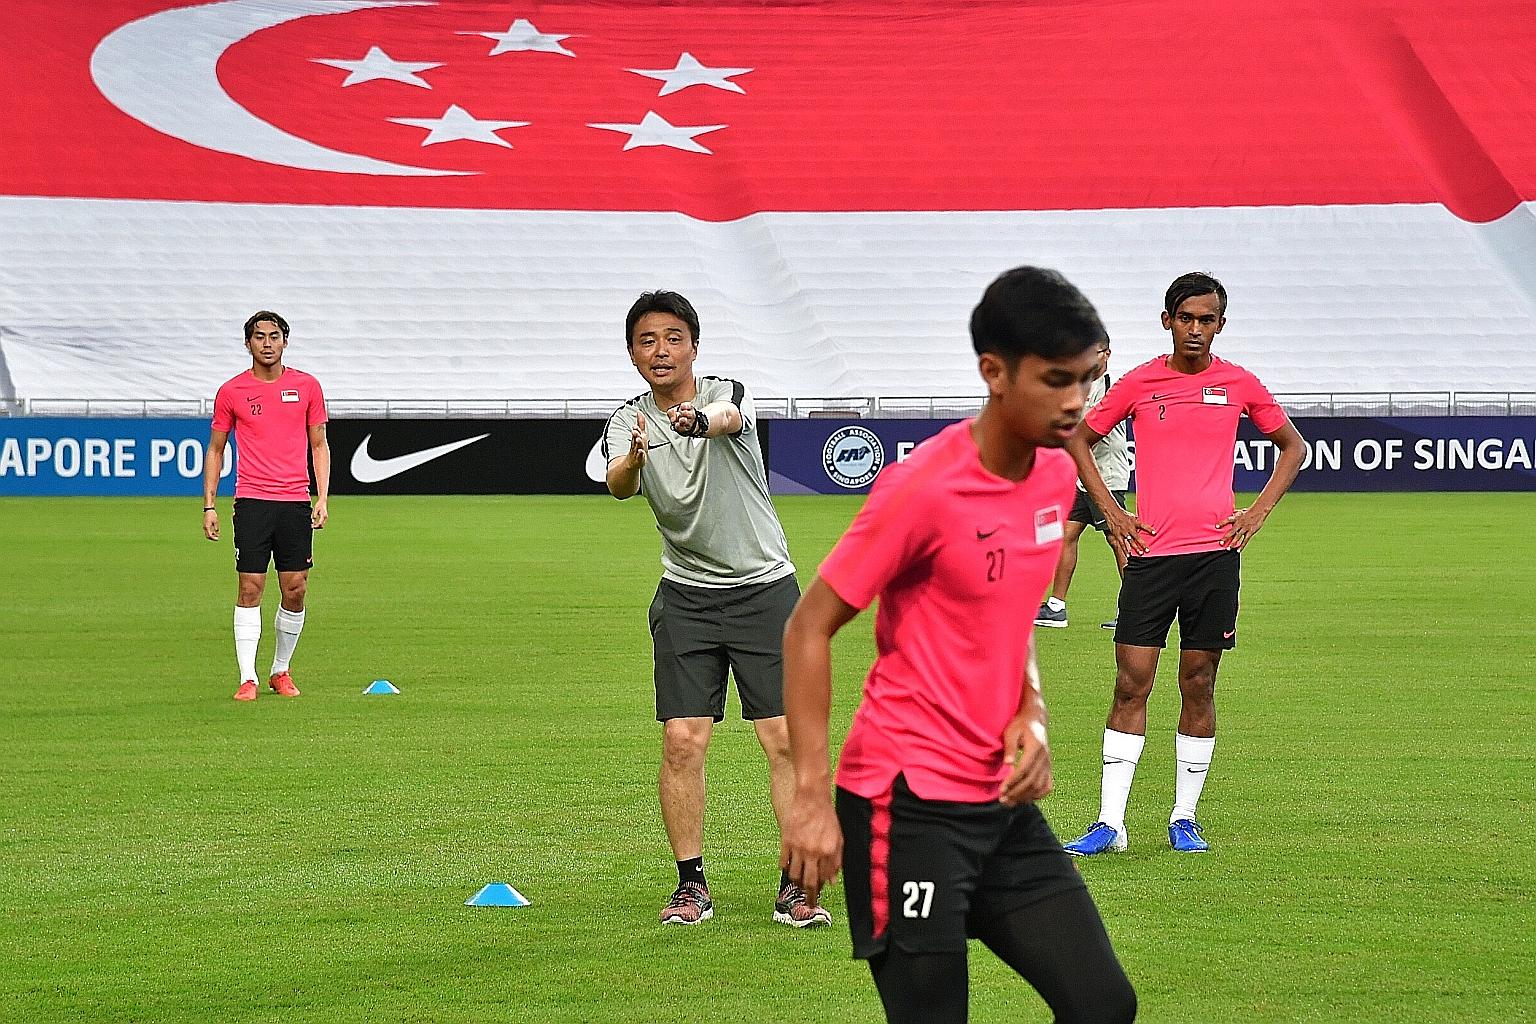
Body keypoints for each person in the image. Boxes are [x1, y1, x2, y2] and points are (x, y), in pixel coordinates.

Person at [780, 267, 1136, 1024]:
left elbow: (1009, 628)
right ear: (994, 373)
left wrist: (1030, 715)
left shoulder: (1051, 473)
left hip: (1000, 805)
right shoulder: (923, 488)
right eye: (1055, 381)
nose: (1076, 401)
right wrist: (810, 800)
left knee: (1103, 1005)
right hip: (904, 809)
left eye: (1086, 380)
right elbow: (808, 627)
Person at [604, 290, 830, 929]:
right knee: (682, 740)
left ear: (694, 348)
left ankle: (795, 884)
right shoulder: (627, 420)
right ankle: (690, 885)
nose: (661, 351)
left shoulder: (727, 391)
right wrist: (637, 459)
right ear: (632, 353)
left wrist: (697, 422)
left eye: (673, 338)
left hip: (765, 590)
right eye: (647, 341)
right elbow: (618, 485)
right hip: (685, 597)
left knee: (782, 736)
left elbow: (729, 418)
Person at [1061, 272, 1305, 856]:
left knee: (1199, 682)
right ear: (1167, 320)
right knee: (1130, 682)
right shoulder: (1143, 382)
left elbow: (1292, 446)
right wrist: (1113, 513)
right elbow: (1076, 438)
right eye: (1187, 317)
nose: (1196, 329)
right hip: (1151, 557)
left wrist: (1257, 514)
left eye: (1208, 319)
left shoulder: (1239, 382)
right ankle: (1110, 824)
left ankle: (1183, 818)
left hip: (1214, 560)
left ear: (1220, 325)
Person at [202, 310, 330, 702]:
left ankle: (280, 670)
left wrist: (322, 496)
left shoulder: (307, 386)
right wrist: (209, 505)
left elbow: (319, 444)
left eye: (275, 336)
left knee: (295, 589)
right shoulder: (232, 391)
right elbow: (216, 449)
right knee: (250, 586)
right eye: (260, 337)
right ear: (248, 343)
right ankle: (248, 677)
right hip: (253, 502)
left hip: (294, 502)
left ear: (285, 341)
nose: (267, 343)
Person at [1034, 337, 1129, 630]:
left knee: (1118, 540)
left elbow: (1092, 430)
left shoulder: (1113, 389)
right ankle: (1056, 607)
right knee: (1065, 534)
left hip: (1106, 477)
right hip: (1082, 478)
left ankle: (1133, 610)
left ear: (1107, 354)